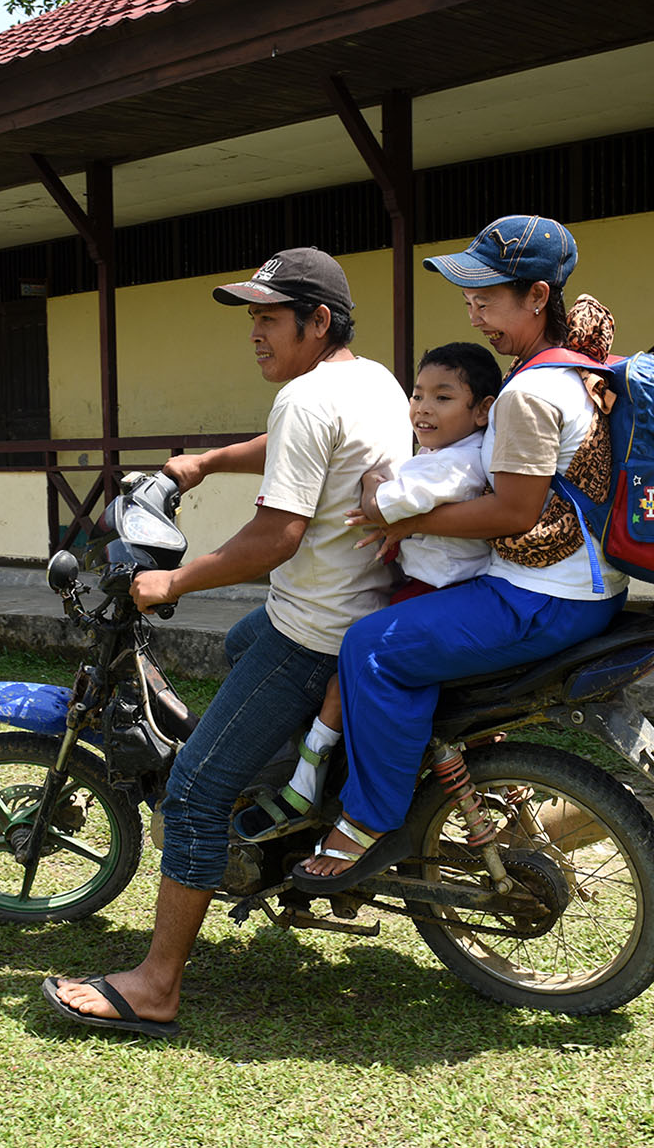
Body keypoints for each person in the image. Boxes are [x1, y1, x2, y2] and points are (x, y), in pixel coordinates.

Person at [43, 246, 408, 1037]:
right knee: (240, 644)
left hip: (313, 631)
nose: (254, 332)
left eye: (269, 317)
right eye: (252, 317)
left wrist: (172, 581)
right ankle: (292, 806)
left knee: (193, 792)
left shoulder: (305, 398)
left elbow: (276, 536)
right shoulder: (373, 381)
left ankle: (155, 985)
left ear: (318, 320)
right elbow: (293, 448)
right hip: (355, 611)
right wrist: (205, 462)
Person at [291, 214, 629, 891]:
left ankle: (367, 819)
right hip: (586, 588)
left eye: (488, 298)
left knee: (371, 648)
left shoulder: (530, 391)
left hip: (542, 597)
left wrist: (402, 517)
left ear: (537, 296)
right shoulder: (576, 369)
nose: (474, 315)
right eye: (469, 299)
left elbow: (513, 512)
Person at [230, 339, 501, 843]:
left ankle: (307, 781)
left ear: (482, 410)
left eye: (443, 398)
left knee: (350, 669)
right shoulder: (448, 452)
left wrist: (374, 480)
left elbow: (379, 505)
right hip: (436, 586)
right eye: (418, 395)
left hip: (431, 592)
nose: (423, 408)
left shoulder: (453, 464)